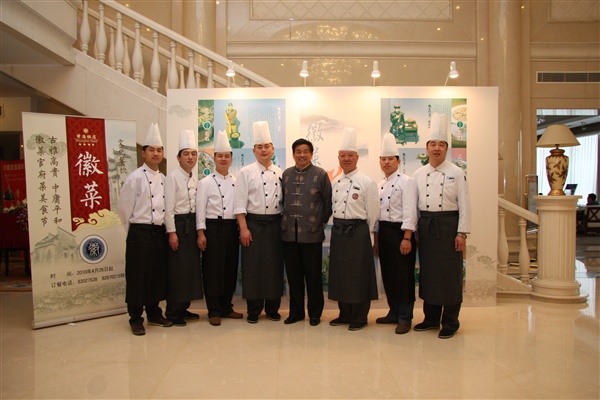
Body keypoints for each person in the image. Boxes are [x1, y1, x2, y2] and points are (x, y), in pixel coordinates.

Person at [412, 112, 471, 339]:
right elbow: (414, 206)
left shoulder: (457, 172)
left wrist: (462, 233)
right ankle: (430, 318)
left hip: (449, 227)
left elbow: (465, 204)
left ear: (446, 148)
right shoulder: (418, 174)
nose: (436, 148)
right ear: (427, 148)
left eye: (441, 145)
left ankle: (450, 322)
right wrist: (415, 231)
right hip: (426, 227)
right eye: (433, 144)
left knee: (450, 275)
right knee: (429, 274)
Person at [117, 123, 173, 336]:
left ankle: (154, 313)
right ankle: (135, 318)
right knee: (138, 275)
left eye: (159, 150)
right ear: (143, 153)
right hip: (139, 233)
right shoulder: (135, 178)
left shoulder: (164, 179)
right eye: (152, 150)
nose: (156, 154)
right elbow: (124, 210)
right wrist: (135, 231)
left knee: (156, 274)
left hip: (158, 232)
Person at [328, 127, 379, 331]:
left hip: (358, 232)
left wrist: (367, 235)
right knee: (340, 273)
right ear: (338, 158)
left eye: (350, 155)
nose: (346, 159)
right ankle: (344, 314)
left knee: (358, 275)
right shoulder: (335, 182)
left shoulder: (367, 182)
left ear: (357, 157)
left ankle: (359, 316)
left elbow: (373, 213)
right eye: (343, 155)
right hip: (339, 230)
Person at [234, 121, 284, 323]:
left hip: (275, 225)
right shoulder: (245, 172)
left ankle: (272, 308)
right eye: (259, 147)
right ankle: (253, 310)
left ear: (273, 149)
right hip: (252, 224)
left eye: (267, 146)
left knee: (274, 267)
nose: (263, 150)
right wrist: (243, 229)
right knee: (252, 267)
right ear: (254, 150)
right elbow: (239, 204)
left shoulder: (280, 172)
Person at [281, 138, 332, 326]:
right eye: (298, 151)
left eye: (305, 151)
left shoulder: (321, 174)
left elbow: (328, 203)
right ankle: (296, 313)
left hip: (312, 235)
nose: (302, 155)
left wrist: (319, 223)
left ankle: (315, 314)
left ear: (311, 154)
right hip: (289, 234)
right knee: (293, 277)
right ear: (293, 154)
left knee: (313, 276)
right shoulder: (286, 174)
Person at [196, 131, 244, 326]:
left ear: (231, 158)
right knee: (212, 270)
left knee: (229, 268)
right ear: (214, 158)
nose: (223, 159)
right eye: (220, 156)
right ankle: (213, 310)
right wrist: (201, 233)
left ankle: (226, 307)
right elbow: (200, 210)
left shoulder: (237, 181)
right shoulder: (205, 182)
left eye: (227, 156)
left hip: (231, 227)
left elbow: (240, 206)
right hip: (212, 227)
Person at [373, 133, 418, 335]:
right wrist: (376, 240)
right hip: (384, 233)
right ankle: (393, 312)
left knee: (403, 276)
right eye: (383, 159)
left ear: (398, 161)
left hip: (401, 233)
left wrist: (407, 237)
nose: (386, 162)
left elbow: (410, 211)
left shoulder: (407, 182)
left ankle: (405, 317)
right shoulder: (379, 185)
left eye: (390, 159)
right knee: (389, 275)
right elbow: (377, 215)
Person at [164, 130, 203, 327]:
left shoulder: (194, 178)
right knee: (177, 270)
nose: (190, 157)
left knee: (190, 268)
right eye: (186, 154)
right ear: (178, 157)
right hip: (179, 227)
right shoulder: (172, 177)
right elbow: (168, 208)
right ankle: (173, 312)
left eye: (193, 154)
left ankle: (184, 307)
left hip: (192, 225)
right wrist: (172, 233)